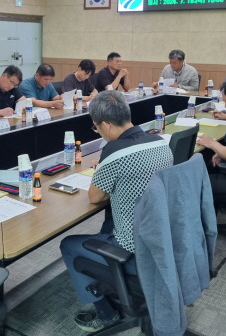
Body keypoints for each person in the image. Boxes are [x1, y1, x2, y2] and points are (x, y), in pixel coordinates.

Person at [60, 90, 173, 332]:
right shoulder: (160, 142)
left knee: (68, 245)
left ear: (106, 124)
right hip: (163, 240)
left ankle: (106, 313)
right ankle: (111, 285)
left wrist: (103, 168)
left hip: (136, 252)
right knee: (108, 224)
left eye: (96, 128)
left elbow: (94, 198)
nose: (99, 133)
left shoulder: (114, 151)